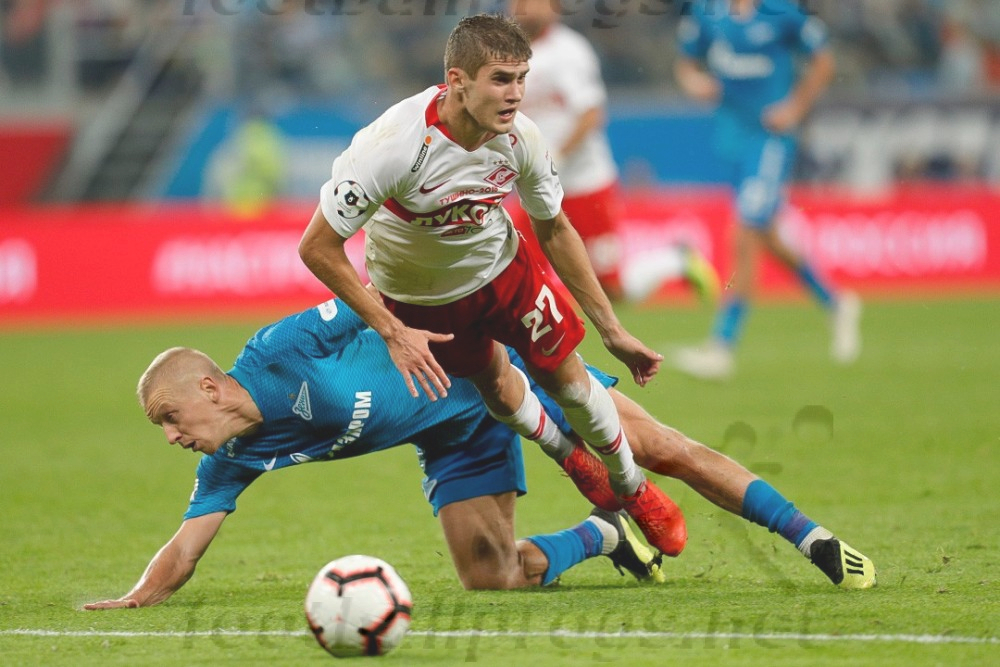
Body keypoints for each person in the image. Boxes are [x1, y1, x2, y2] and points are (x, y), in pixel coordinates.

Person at [82, 300, 875, 609]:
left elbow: (372, 287)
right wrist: (135, 597)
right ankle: (606, 534)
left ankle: (812, 537)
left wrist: (434, 327)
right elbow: (185, 547)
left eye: (170, 416)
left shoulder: (280, 351)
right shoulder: (232, 458)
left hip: (497, 365)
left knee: (661, 447)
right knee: (490, 578)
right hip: (454, 433)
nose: (171, 435)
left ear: (210, 386)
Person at [298, 15, 681, 554]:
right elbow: (317, 246)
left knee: (568, 379)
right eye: (501, 79)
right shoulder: (392, 145)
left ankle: (631, 485)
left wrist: (612, 329)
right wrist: (392, 331)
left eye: (522, 78)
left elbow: (554, 228)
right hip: (421, 298)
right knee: (495, 386)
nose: (516, 94)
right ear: (457, 81)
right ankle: (568, 456)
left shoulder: (522, 138)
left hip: (503, 272)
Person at [671, 0, 861, 380]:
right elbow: (685, 63)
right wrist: (695, 82)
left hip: (770, 139)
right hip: (732, 138)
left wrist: (795, 108)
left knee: (744, 231)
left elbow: (824, 62)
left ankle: (722, 345)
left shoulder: (781, 13)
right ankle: (836, 302)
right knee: (766, 234)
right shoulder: (708, 14)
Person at [506, 0, 720, 304]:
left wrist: (556, 157)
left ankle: (677, 261)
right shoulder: (505, 55)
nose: (524, 8)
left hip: (585, 184)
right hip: (536, 187)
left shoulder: (568, 51)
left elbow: (591, 114)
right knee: (516, 268)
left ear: (554, 8)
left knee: (610, 288)